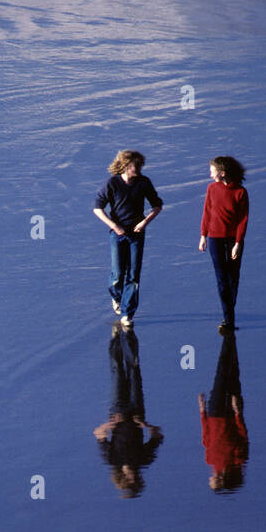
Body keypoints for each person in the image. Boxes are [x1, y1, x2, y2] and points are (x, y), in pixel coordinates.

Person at [93, 150, 163, 327]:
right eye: (135, 165)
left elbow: (157, 205)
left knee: (133, 275)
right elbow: (97, 208)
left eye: (140, 165)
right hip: (117, 234)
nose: (138, 168)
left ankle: (127, 313)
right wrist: (114, 226)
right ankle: (117, 297)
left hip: (137, 235)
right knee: (117, 274)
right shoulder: (112, 183)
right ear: (125, 166)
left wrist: (145, 222)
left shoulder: (144, 183)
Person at [94, 324, 163, 497]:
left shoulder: (112, 460)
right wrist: (144, 424)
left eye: (131, 482)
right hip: (136, 409)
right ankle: (128, 334)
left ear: (123, 479)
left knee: (117, 371)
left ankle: (116, 337)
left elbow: (98, 434)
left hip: (117, 410)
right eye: (137, 481)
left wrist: (110, 425)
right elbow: (158, 435)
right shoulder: (144, 459)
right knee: (133, 371)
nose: (134, 478)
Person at [198, 156, 248, 334]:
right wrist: (203, 236)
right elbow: (207, 213)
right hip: (214, 238)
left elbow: (243, 220)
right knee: (221, 279)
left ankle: (229, 307)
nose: (210, 175)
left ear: (223, 172)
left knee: (233, 277)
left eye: (212, 172)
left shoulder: (240, 192)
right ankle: (228, 318)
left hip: (233, 240)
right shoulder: (212, 189)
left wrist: (237, 243)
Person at [198, 331, 248, 492]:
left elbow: (206, 436)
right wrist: (238, 413)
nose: (210, 477)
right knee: (233, 374)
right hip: (230, 414)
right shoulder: (237, 460)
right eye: (212, 480)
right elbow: (242, 436)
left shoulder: (209, 460)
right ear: (220, 480)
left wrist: (202, 411)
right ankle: (231, 341)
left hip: (213, 413)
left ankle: (227, 340)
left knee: (220, 374)